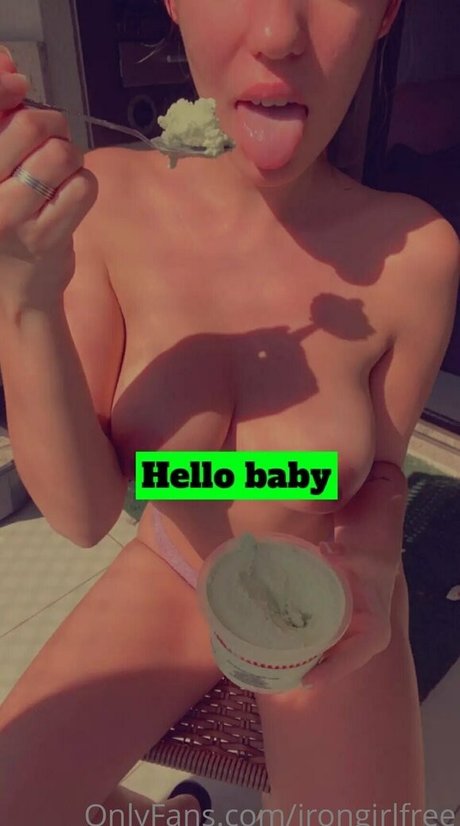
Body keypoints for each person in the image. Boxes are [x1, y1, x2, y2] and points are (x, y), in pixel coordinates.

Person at [0, 0, 458, 821]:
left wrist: (371, 563)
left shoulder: (414, 253)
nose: (279, 33)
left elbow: (382, 475)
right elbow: (84, 511)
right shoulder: (105, 202)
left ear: (386, 13)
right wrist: (25, 294)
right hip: (176, 566)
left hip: (324, 591)